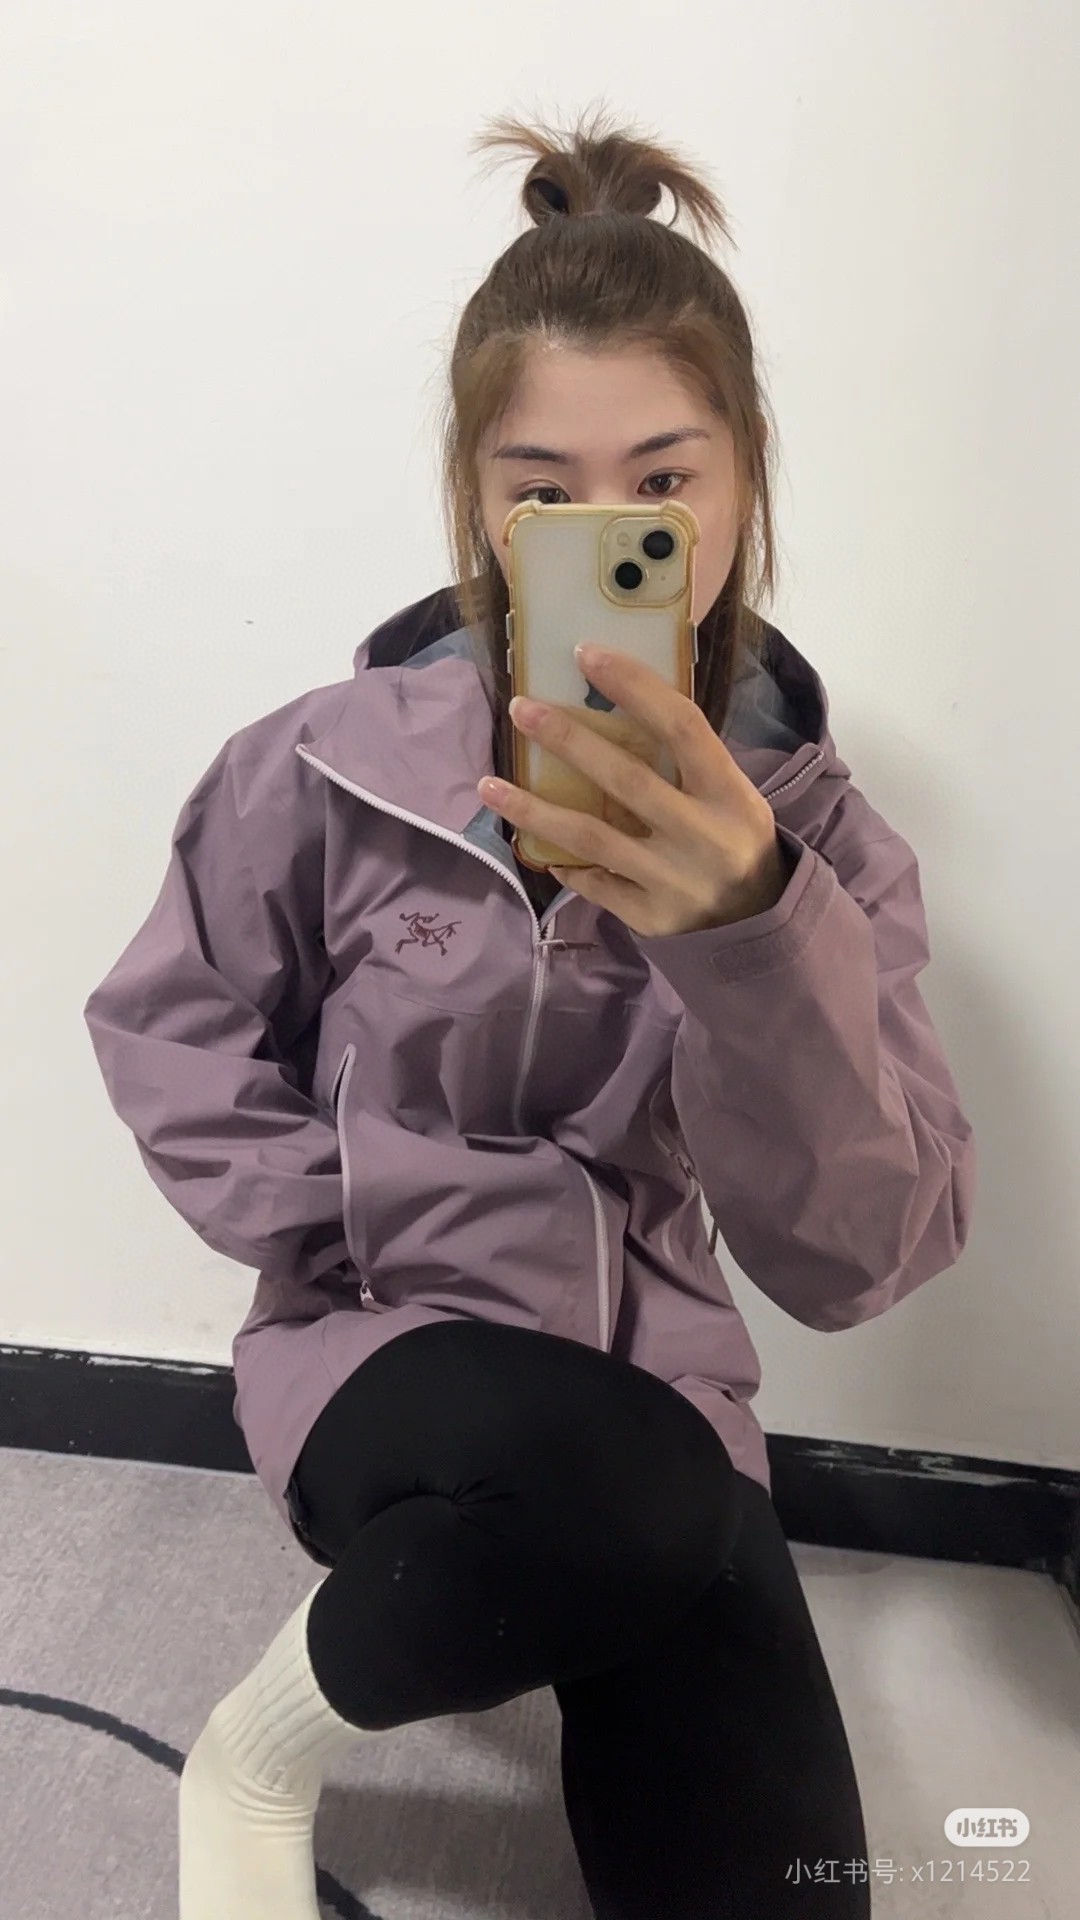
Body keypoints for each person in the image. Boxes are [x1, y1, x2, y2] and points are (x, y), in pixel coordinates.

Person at [83, 105, 977, 1920]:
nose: (604, 534)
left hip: (661, 1392)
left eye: (663, 483)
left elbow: (857, 1262)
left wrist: (752, 929)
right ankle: (257, 1755)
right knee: (632, 1499)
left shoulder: (822, 852)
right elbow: (167, 1029)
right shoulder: (318, 770)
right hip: (382, 1352)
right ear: (476, 503)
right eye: (543, 492)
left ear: (745, 487)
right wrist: (355, 1224)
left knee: (779, 1868)